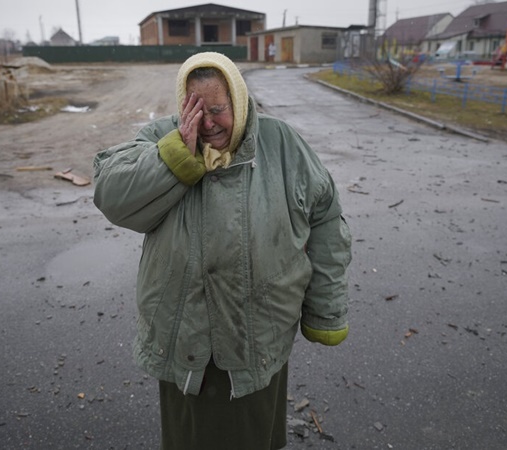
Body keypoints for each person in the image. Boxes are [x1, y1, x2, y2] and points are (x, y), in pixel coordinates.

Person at [93, 52, 351, 450]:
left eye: (217, 109)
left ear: (240, 102)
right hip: (184, 335)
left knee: (254, 431)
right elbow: (111, 195)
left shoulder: (282, 144)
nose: (208, 122)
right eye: (196, 109)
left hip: (258, 335)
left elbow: (326, 221)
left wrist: (325, 309)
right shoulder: (162, 139)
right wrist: (178, 155)